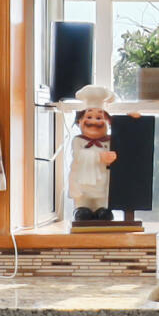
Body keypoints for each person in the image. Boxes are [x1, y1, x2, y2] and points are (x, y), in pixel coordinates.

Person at [67, 87, 119, 223]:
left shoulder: (110, 141)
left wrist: (133, 119)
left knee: (103, 208)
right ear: (79, 121)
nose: (94, 121)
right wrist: (100, 157)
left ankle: (102, 210)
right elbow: (79, 156)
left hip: (102, 184)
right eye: (89, 117)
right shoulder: (78, 141)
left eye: (99, 117)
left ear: (108, 122)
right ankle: (82, 209)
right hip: (82, 185)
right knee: (83, 209)